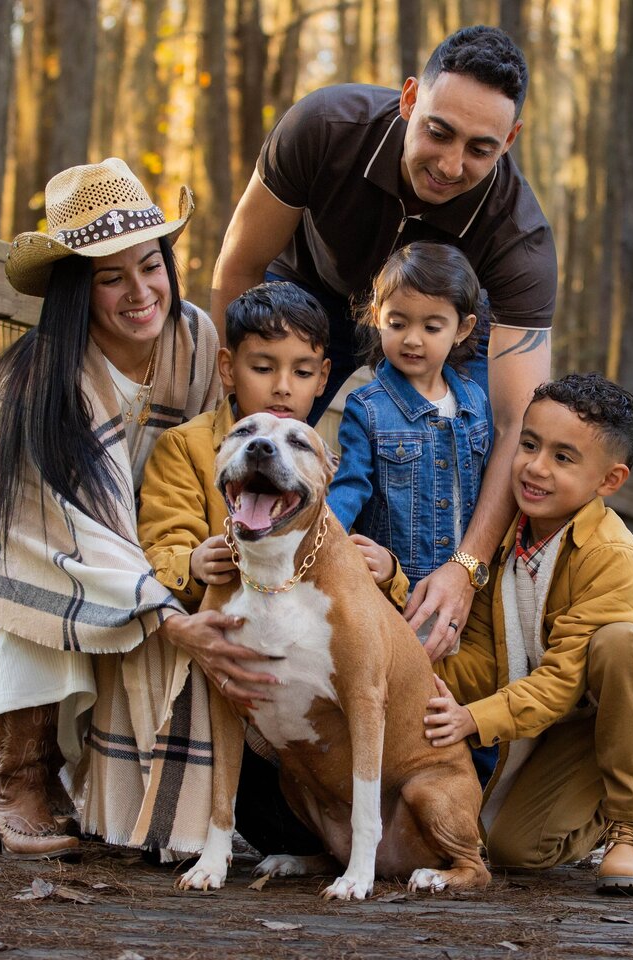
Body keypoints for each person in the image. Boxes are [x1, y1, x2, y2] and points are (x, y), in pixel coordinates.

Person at [0, 158, 277, 862]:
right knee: (48, 587)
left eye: (150, 265)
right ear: (78, 290)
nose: (140, 293)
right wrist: (166, 611)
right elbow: (69, 532)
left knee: (144, 597)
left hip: (135, 536)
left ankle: (130, 792)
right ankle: (16, 777)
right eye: (111, 277)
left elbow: (203, 464)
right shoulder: (46, 378)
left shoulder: (195, 342)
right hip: (7, 528)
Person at [211, 25, 556, 659]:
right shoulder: (323, 127)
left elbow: (517, 424)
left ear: (509, 141)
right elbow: (238, 269)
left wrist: (466, 567)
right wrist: (239, 412)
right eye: (438, 131)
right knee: (274, 463)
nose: (451, 165)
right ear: (408, 100)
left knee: (459, 445)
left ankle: (393, 631)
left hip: (446, 341)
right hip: (308, 302)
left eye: (481, 148)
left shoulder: (520, 239)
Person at [137, 281, 407, 857]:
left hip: (313, 717)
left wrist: (389, 573)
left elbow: (354, 591)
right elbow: (159, 547)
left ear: (324, 375)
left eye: (304, 373)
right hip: (230, 683)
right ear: (229, 368)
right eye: (264, 367)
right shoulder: (188, 449)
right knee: (277, 825)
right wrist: (188, 562)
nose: (283, 387)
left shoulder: (317, 459)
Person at [423, 373, 633, 895]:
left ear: (609, 480)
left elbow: (560, 681)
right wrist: (399, 604)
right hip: (581, 712)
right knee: (513, 848)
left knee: (619, 641)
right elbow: (486, 662)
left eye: (564, 457)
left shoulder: (609, 554)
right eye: (530, 445)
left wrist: (473, 720)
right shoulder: (505, 542)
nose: (536, 467)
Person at [326, 242, 491, 647]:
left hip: (466, 594)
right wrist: (321, 539)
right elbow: (350, 487)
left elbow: (488, 488)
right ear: (377, 318)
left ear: (462, 329)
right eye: (397, 324)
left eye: (432, 328)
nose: (412, 339)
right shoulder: (368, 409)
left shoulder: (475, 402)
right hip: (397, 593)